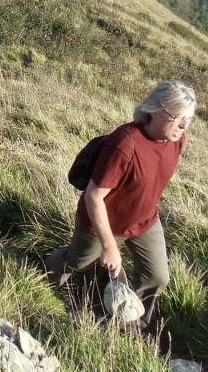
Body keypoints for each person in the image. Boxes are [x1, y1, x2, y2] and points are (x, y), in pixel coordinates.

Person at [46, 80, 197, 329]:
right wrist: (109, 246)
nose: (183, 125)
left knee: (157, 277)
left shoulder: (177, 140)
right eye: (177, 117)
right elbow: (93, 196)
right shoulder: (125, 144)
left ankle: (128, 322)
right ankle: (46, 276)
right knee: (78, 261)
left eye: (188, 119)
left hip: (144, 221)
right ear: (155, 110)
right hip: (102, 221)